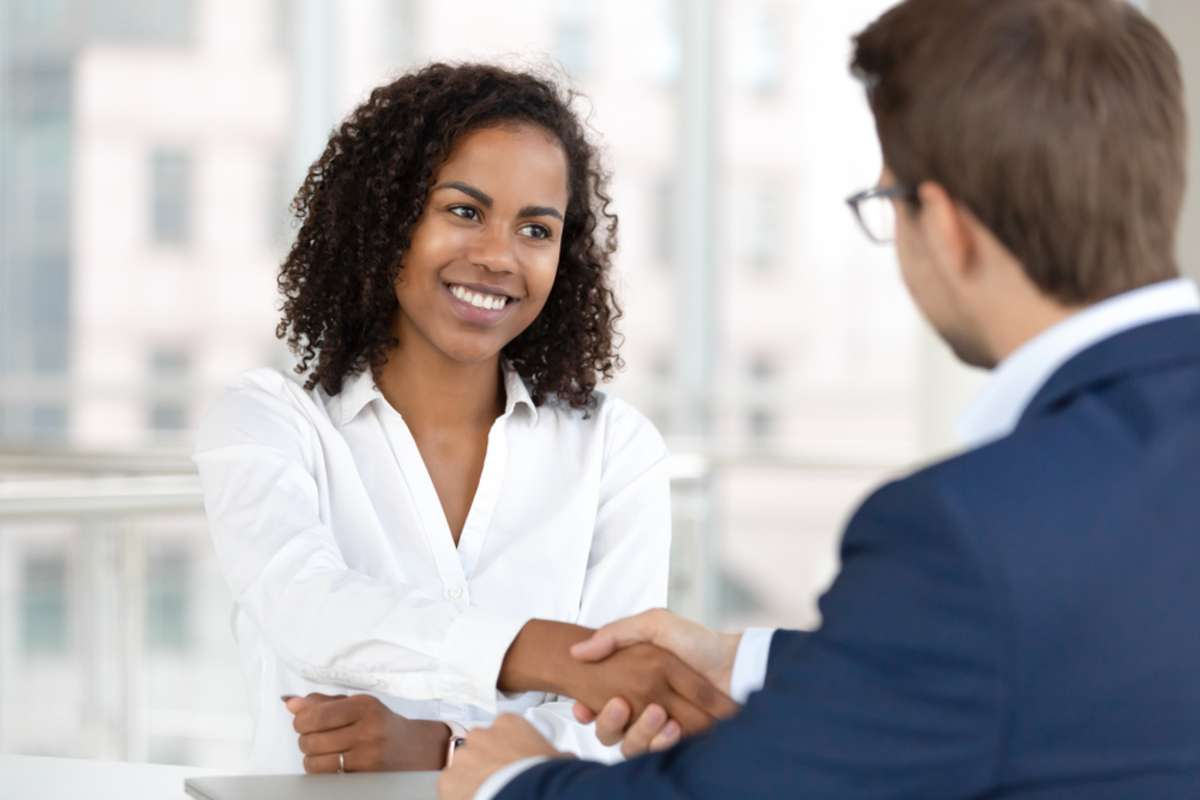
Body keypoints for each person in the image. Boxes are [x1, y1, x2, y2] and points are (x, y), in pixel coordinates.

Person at [441, 1, 1200, 797]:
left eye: (887, 205)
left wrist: (509, 780)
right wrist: (741, 659)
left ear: (943, 226)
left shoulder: (969, 532)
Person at [193, 63, 735, 774]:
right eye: (464, 211)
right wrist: (548, 657)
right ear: (387, 220)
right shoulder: (268, 423)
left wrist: (447, 749)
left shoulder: (613, 448)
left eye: (535, 229)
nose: (497, 258)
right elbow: (306, 608)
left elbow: (621, 721)